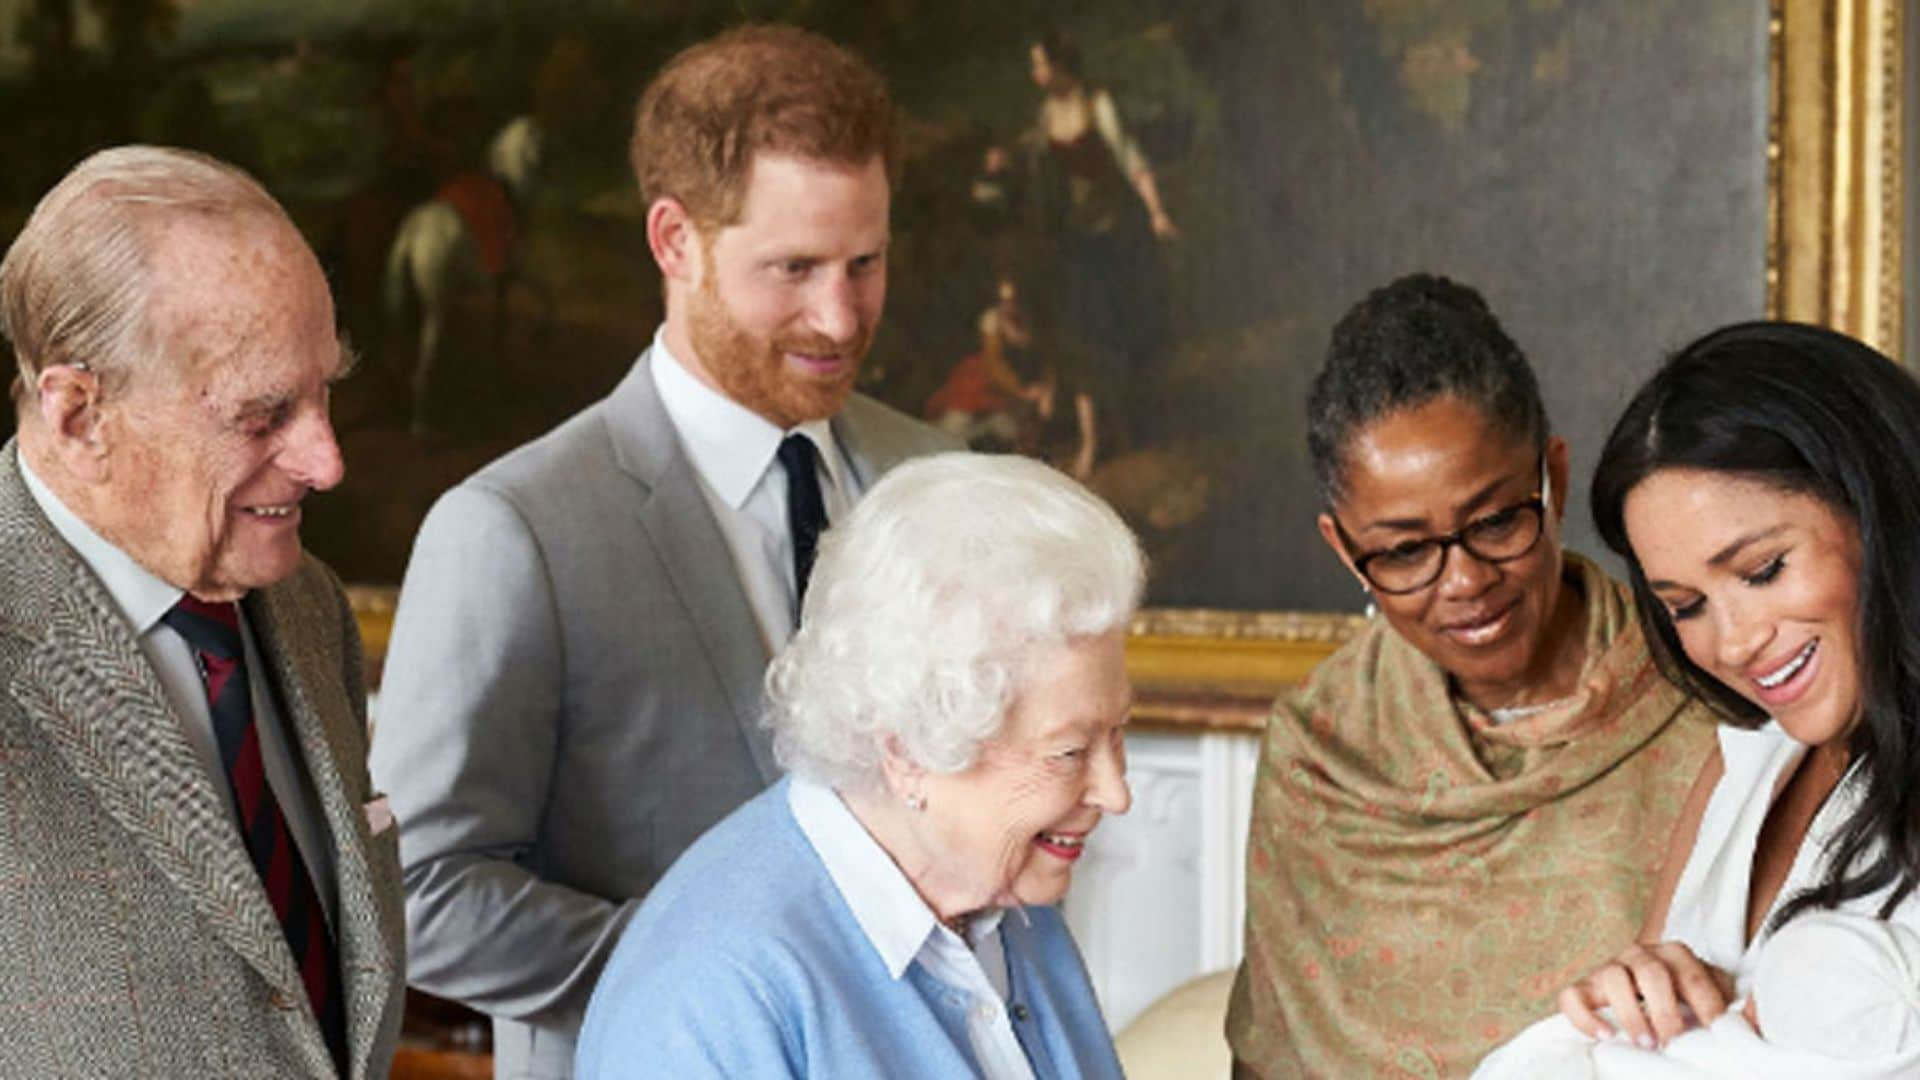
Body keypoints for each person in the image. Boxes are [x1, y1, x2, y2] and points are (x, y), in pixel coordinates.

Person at [369, 25, 955, 1079]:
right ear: (674, 240)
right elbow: (416, 890)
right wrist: (735, 975)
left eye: (866, 262)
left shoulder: (937, 476)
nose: (840, 314)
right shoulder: (512, 531)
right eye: (795, 268)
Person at [1226, 274, 1716, 1077]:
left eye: (1494, 521)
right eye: (1405, 550)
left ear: (1552, 482)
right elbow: (1274, 1060)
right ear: (1345, 550)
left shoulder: (1706, 694)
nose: (1464, 583)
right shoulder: (1319, 752)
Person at [0, 146, 404, 1077]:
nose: (327, 460)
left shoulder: (306, 607)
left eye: (325, 391)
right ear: (78, 414)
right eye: (262, 416)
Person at [575, 453, 1137, 1078]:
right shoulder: (713, 995)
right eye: (1069, 753)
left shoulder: (1014, 910)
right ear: (907, 749)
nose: (1116, 793)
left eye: (1119, 734)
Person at [1523, 322, 1920, 1063]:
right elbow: (1653, 1045)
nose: (1733, 644)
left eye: (1762, 570)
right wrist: (1641, 986)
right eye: (1686, 605)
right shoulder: (1746, 767)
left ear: (1879, 506)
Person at [978, 31, 1175, 446]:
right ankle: (1101, 433)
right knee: (1087, 331)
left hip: (1117, 233)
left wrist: (1156, 212)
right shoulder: (1048, 113)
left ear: (1060, 66)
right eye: (1034, 66)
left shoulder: (1097, 105)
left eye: (1041, 64)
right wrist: (1005, 158)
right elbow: (1032, 150)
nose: (1036, 73)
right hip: (1077, 239)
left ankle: (1144, 424)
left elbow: (1132, 160)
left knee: (1124, 325)